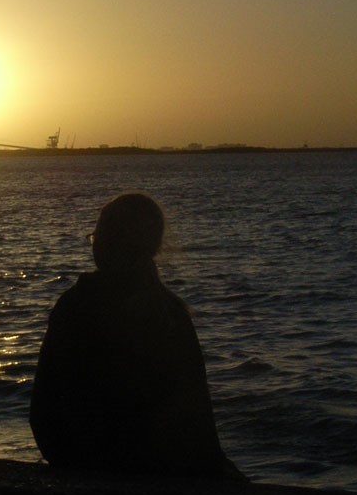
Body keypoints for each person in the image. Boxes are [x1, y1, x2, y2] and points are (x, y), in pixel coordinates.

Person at [30, 192, 242, 479]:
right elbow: (197, 415)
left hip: (88, 470)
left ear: (108, 244)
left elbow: (45, 409)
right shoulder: (172, 313)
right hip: (164, 473)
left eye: (98, 236)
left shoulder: (77, 306)